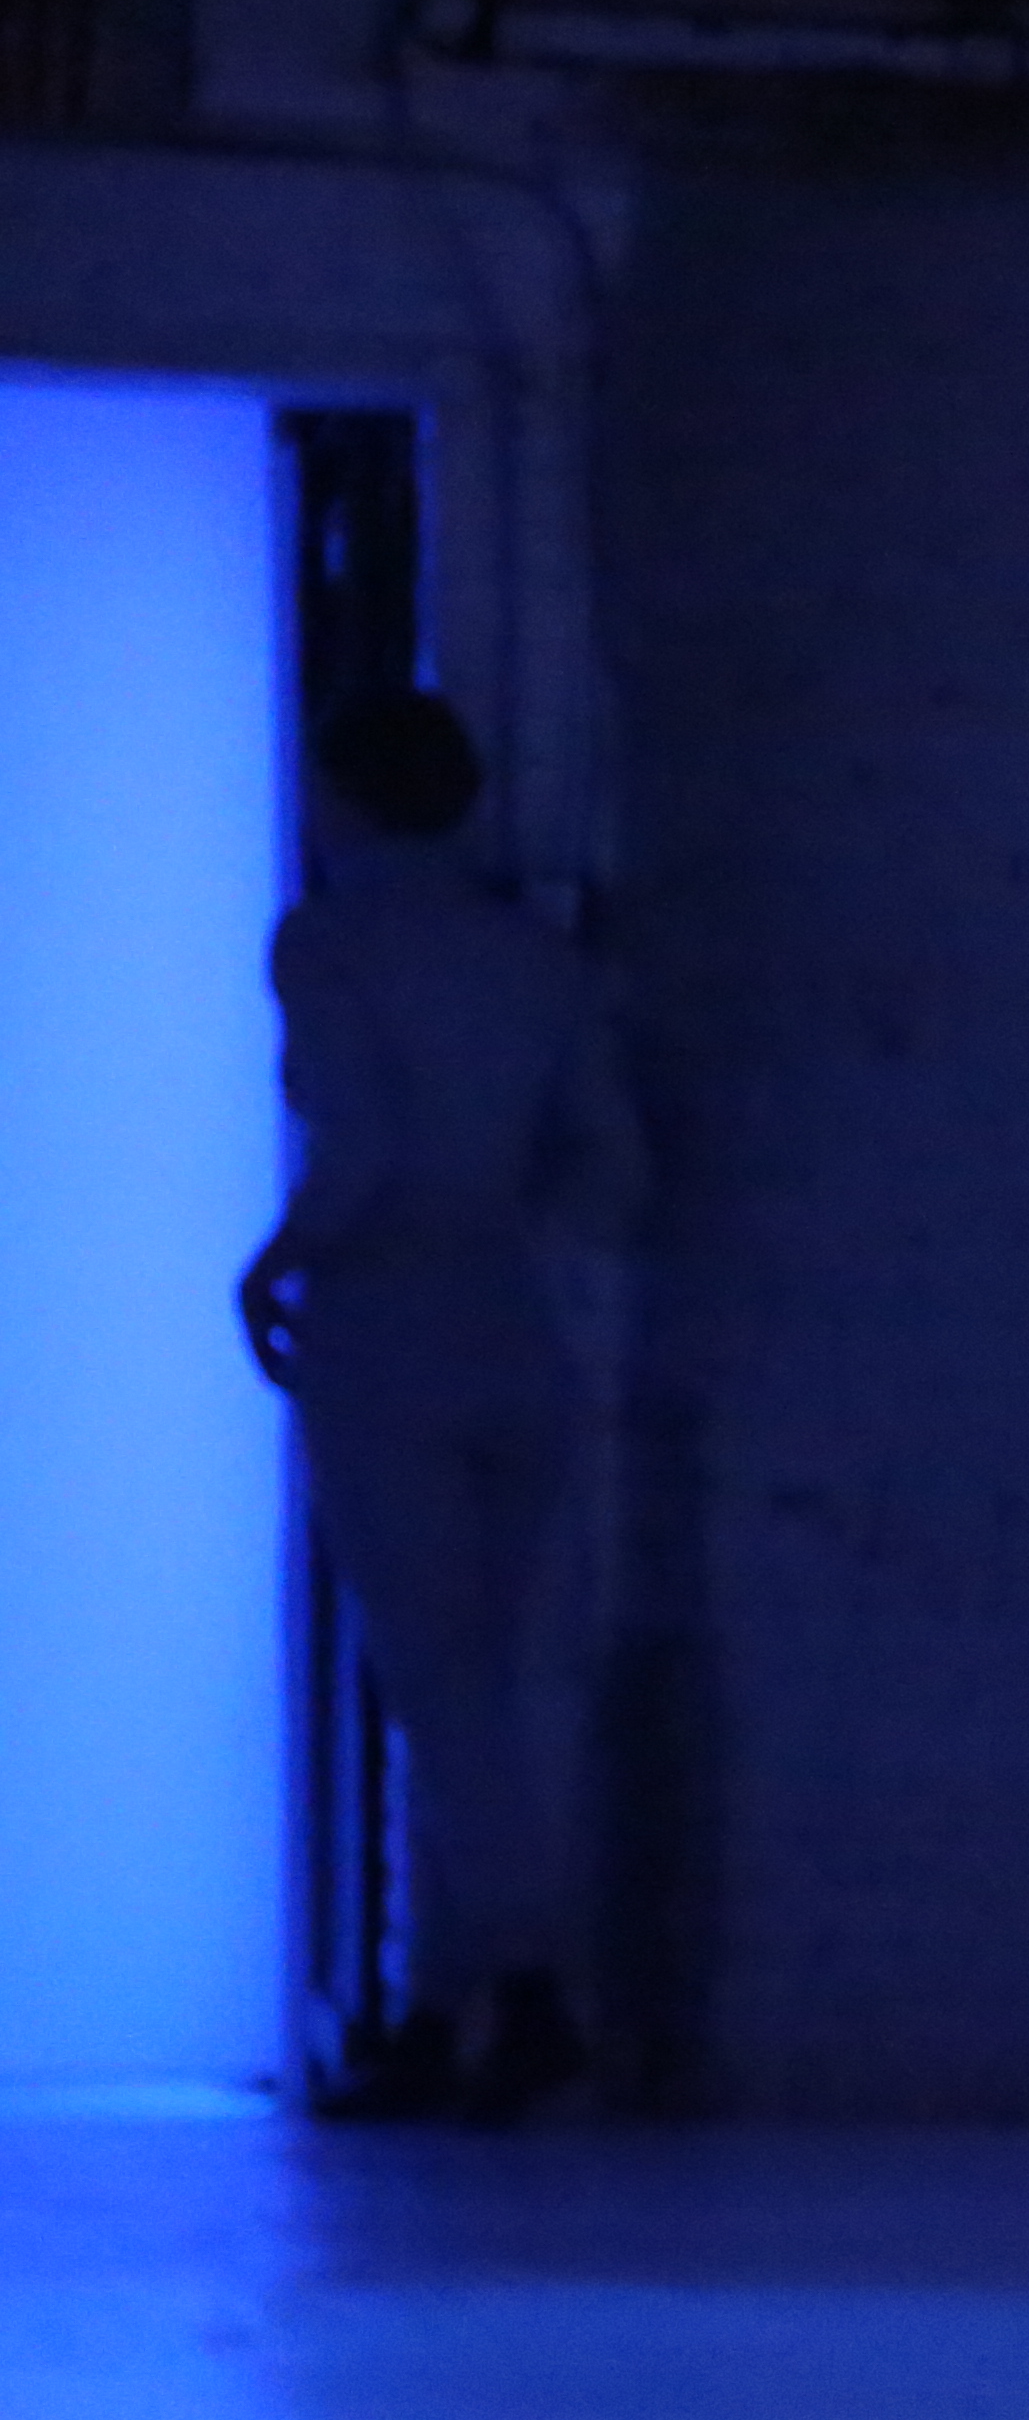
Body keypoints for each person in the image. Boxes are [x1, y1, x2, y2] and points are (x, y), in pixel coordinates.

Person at [238, 690, 644, 2125]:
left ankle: (514, 1994)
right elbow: (606, 1160)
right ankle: (449, 2004)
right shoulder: (533, 956)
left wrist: (278, 1261)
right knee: (486, 1687)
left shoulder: (330, 943)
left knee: (433, 1683)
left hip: (386, 1335)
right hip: (514, 1334)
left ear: (343, 799)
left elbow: (364, 1137)